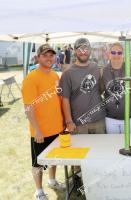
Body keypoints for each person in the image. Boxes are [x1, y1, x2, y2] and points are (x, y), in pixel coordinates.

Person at [22, 44, 65, 200]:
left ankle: (52, 180)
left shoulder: (55, 75)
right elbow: (28, 107)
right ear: (38, 57)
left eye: (51, 55)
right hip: (40, 131)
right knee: (37, 162)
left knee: (54, 158)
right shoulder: (31, 78)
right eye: (45, 55)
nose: (49, 58)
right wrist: (37, 130)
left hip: (57, 128)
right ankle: (39, 191)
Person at [59, 38, 106, 135]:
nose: (83, 52)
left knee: (100, 149)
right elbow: (65, 99)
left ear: (90, 51)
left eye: (85, 49)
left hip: (98, 121)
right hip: (79, 124)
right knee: (81, 150)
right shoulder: (68, 73)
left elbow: (100, 90)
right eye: (79, 49)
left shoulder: (96, 68)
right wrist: (69, 121)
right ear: (75, 51)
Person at [103, 43, 131, 134]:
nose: (116, 55)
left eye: (119, 53)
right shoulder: (103, 71)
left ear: (123, 55)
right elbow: (100, 92)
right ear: (109, 54)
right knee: (113, 146)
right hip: (111, 118)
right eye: (113, 52)